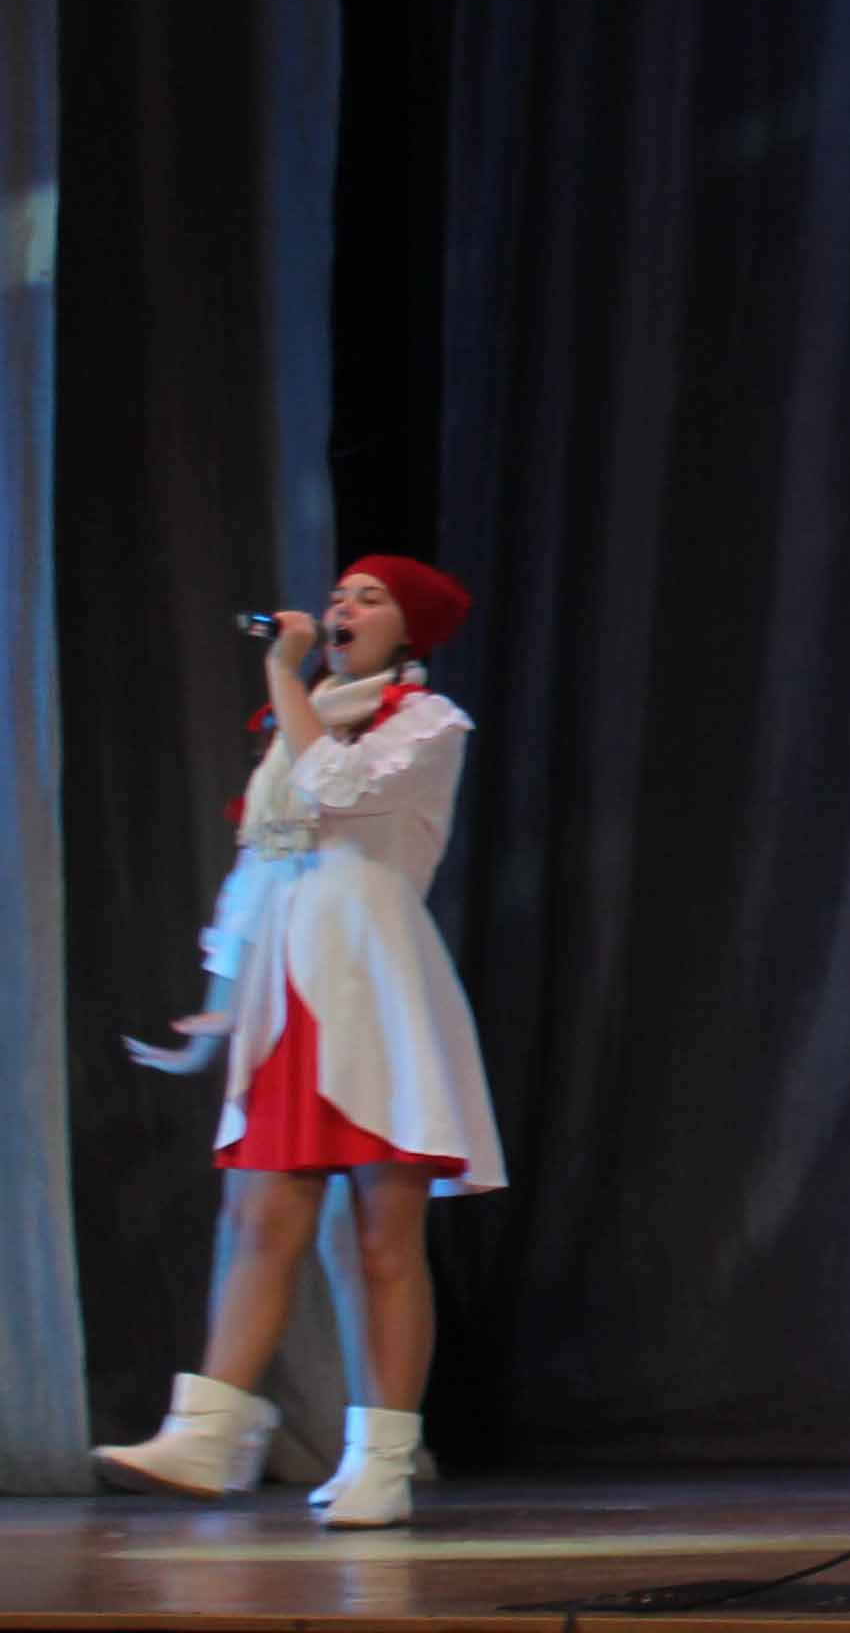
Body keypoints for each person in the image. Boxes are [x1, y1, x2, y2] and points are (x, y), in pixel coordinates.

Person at [91, 557, 502, 1529]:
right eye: (339, 594)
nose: (341, 608)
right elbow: (264, 857)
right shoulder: (305, 722)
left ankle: (383, 1460)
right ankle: (209, 1431)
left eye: (369, 599)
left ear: (409, 629)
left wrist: (284, 676)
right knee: (258, 1216)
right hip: (288, 982)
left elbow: (337, 793)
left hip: (371, 981)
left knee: (378, 1237)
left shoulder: (428, 724)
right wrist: (222, 1002)